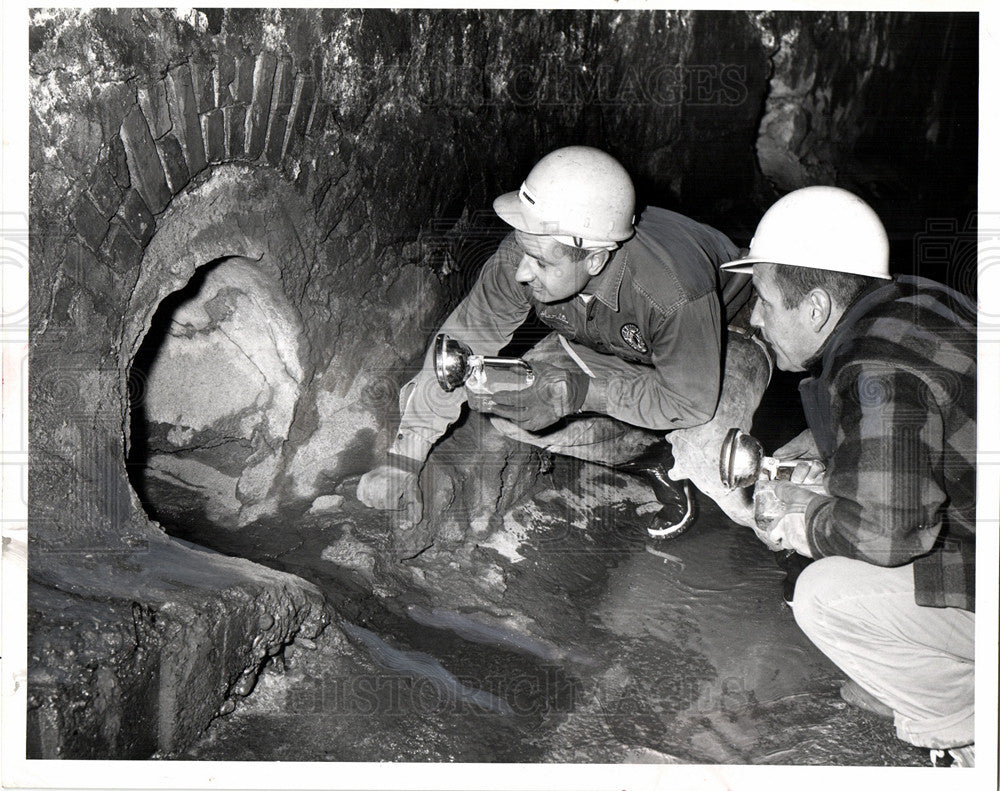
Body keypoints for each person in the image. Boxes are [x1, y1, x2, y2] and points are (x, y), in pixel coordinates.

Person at [358, 145, 771, 537]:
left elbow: (689, 400)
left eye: (539, 262)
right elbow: (462, 344)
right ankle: (653, 461)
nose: (522, 271)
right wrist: (404, 458)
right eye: (523, 252)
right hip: (611, 343)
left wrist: (576, 393)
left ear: (594, 259)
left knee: (713, 460)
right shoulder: (532, 248)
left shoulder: (672, 290)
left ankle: (795, 544)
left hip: (725, 337)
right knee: (509, 404)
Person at [722, 186, 976, 767]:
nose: (755, 317)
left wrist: (800, 520)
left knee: (822, 595)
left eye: (762, 299)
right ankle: (931, 678)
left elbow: (885, 538)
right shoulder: (914, 299)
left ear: (814, 308)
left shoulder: (873, 368)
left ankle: (966, 727)